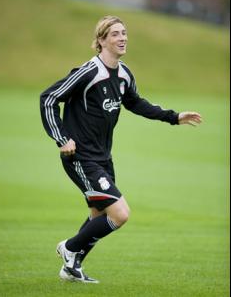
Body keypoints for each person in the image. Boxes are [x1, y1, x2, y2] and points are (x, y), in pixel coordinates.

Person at [40, 16, 202, 284]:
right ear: (101, 40)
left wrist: (174, 117)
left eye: (124, 33)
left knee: (98, 215)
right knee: (120, 213)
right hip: (80, 156)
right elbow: (48, 99)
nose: (123, 38)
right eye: (115, 34)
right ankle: (68, 248)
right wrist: (62, 138)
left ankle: (72, 267)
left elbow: (136, 103)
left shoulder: (124, 73)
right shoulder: (88, 72)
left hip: (103, 156)